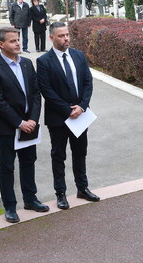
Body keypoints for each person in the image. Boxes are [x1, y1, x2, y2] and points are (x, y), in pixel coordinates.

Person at [0, 27, 48, 224]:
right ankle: (10, 207)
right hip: (7, 128)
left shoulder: (27, 64)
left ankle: (30, 199)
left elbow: (36, 94)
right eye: (12, 41)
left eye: (18, 39)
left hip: (30, 124)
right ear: (1, 44)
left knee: (28, 162)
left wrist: (33, 120)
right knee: (7, 166)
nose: (18, 43)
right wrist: (19, 123)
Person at [37, 22, 100, 210]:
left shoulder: (78, 56)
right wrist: (67, 110)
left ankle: (83, 188)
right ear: (51, 38)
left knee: (80, 153)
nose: (66, 39)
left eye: (67, 35)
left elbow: (88, 82)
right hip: (59, 118)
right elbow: (46, 90)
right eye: (61, 36)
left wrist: (81, 106)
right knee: (59, 155)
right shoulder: (44, 61)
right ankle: (61, 194)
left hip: (80, 116)